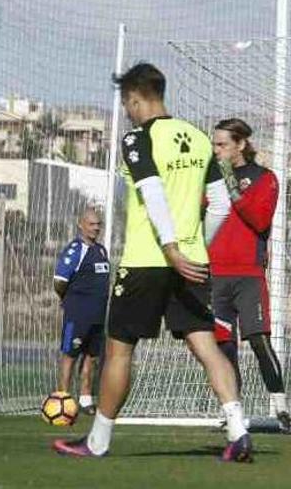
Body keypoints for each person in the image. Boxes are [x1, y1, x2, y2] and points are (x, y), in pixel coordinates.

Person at [53, 62, 253, 462]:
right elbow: (222, 204)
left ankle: (98, 442)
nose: (128, 111)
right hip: (191, 262)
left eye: (127, 103)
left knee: (120, 351)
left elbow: (152, 192)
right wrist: (196, 248)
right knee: (206, 346)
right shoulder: (198, 138)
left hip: (149, 260)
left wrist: (171, 248)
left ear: (135, 99)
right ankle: (238, 431)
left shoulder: (136, 139)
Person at [209, 118, 289, 433]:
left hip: (248, 275)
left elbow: (258, 219)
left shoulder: (265, 178)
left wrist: (231, 183)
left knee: (258, 340)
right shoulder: (212, 177)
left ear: (241, 144)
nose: (216, 151)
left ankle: (282, 407)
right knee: (224, 347)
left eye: (222, 144)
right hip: (216, 275)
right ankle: (234, 415)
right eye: (214, 144)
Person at [52, 207, 109, 416]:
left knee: (91, 357)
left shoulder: (101, 250)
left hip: (98, 315)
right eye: (92, 224)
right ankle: (62, 399)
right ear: (81, 224)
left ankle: (86, 400)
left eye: (98, 224)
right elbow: (59, 281)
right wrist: (68, 300)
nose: (96, 228)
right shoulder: (75, 250)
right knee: (70, 355)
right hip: (77, 314)